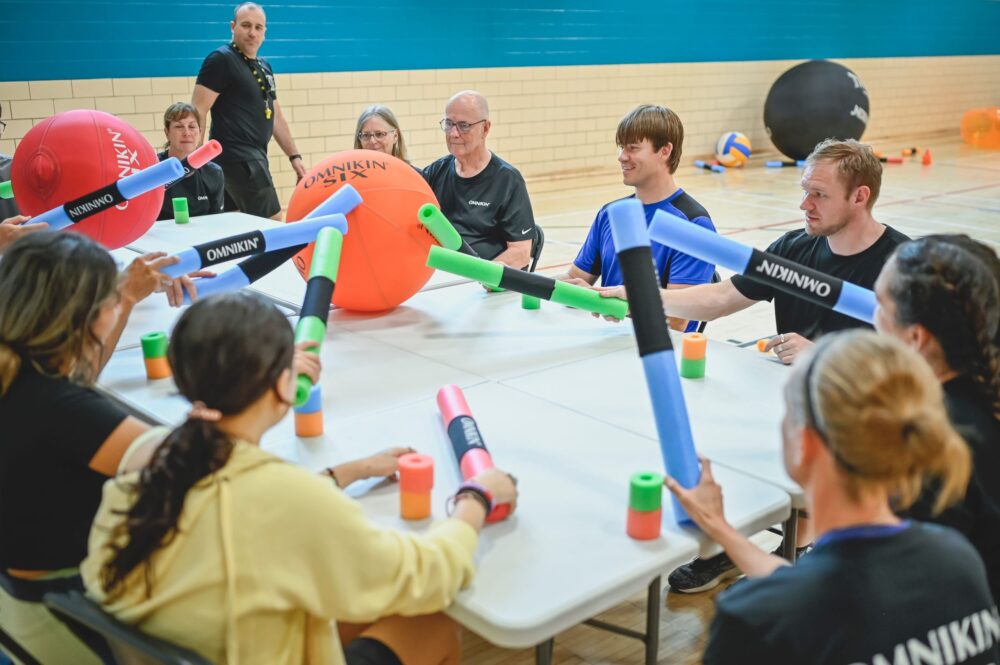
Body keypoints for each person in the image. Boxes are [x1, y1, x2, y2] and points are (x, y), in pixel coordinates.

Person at [82, 292, 519, 665]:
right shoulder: (288, 498)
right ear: (282, 385)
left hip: (207, 641)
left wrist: (352, 470)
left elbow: (254, 501)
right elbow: (427, 575)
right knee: (430, 622)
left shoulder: (153, 458)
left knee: (352, 601)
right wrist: (474, 499)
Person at [601, 138, 911, 592]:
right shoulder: (796, 246)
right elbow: (721, 298)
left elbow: (914, 367)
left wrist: (829, 358)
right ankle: (735, 544)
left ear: (860, 196)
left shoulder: (900, 265)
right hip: (786, 399)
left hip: (857, 418)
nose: (804, 204)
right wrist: (639, 296)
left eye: (819, 195)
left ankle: (800, 547)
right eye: (805, 189)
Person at [663, 330, 997, 664]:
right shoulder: (957, 559)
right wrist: (722, 530)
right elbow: (822, 590)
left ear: (806, 443)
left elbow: (808, 596)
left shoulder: (754, 618)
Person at [0, 232, 200, 664]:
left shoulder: (22, 376)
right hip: (60, 612)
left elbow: (72, 383)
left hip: (15, 603)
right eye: (108, 301)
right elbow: (202, 468)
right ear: (83, 318)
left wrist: (125, 296)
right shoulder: (64, 411)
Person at [874, 235, 1000, 600]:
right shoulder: (980, 395)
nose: (871, 313)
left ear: (915, 338)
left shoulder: (928, 442)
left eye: (879, 303)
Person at [560, 104, 716, 332]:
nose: (622, 157)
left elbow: (677, 318)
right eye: (621, 148)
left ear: (665, 151)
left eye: (633, 148)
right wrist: (517, 283)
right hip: (607, 342)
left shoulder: (693, 224)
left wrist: (599, 298)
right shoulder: (610, 213)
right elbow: (575, 277)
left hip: (661, 352)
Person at [192, 2, 306, 220]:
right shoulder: (221, 60)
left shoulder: (265, 66)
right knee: (273, 220)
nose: (252, 33)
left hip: (254, 157)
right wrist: (195, 160)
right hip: (239, 158)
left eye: (258, 27)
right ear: (233, 27)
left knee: (235, 222)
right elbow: (199, 109)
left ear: (264, 32)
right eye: (246, 25)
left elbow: (276, 117)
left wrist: (294, 157)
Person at [422, 90, 536, 267]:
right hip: (440, 276)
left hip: (482, 284)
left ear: (485, 128)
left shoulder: (508, 181)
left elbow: (520, 252)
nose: (453, 133)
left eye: (464, 125)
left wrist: (485, 275)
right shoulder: (437, 171)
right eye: (449, 124)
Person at [156, 102, 225, 221]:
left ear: (200, 132)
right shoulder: (153, 168)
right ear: (167, 133)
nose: (187, 133)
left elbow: (216, 221)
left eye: (192, 127)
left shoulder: (214, 172)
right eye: (179, 126)